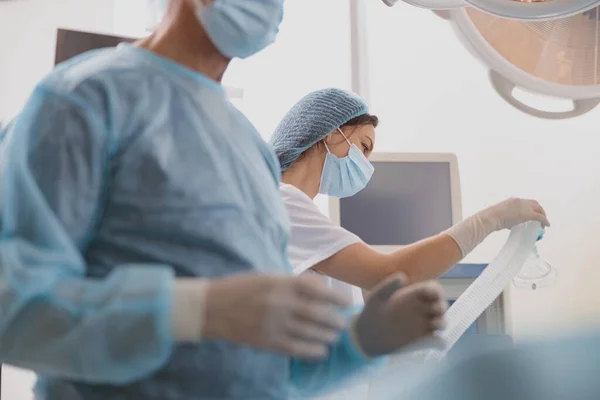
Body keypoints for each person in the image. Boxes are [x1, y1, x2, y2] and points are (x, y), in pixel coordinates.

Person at [0, 1, 447, 399]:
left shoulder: (248, 149)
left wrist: (356, 346)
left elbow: (259, 375)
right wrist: (197, 309)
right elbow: (15, 309)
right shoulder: (82, 101)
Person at [269, 88, 550, 297]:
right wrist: (492, 218)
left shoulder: (289, 208)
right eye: (364, 147)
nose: (365, 164)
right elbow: (392, 274)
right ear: (331, 133)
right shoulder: (283, 203)